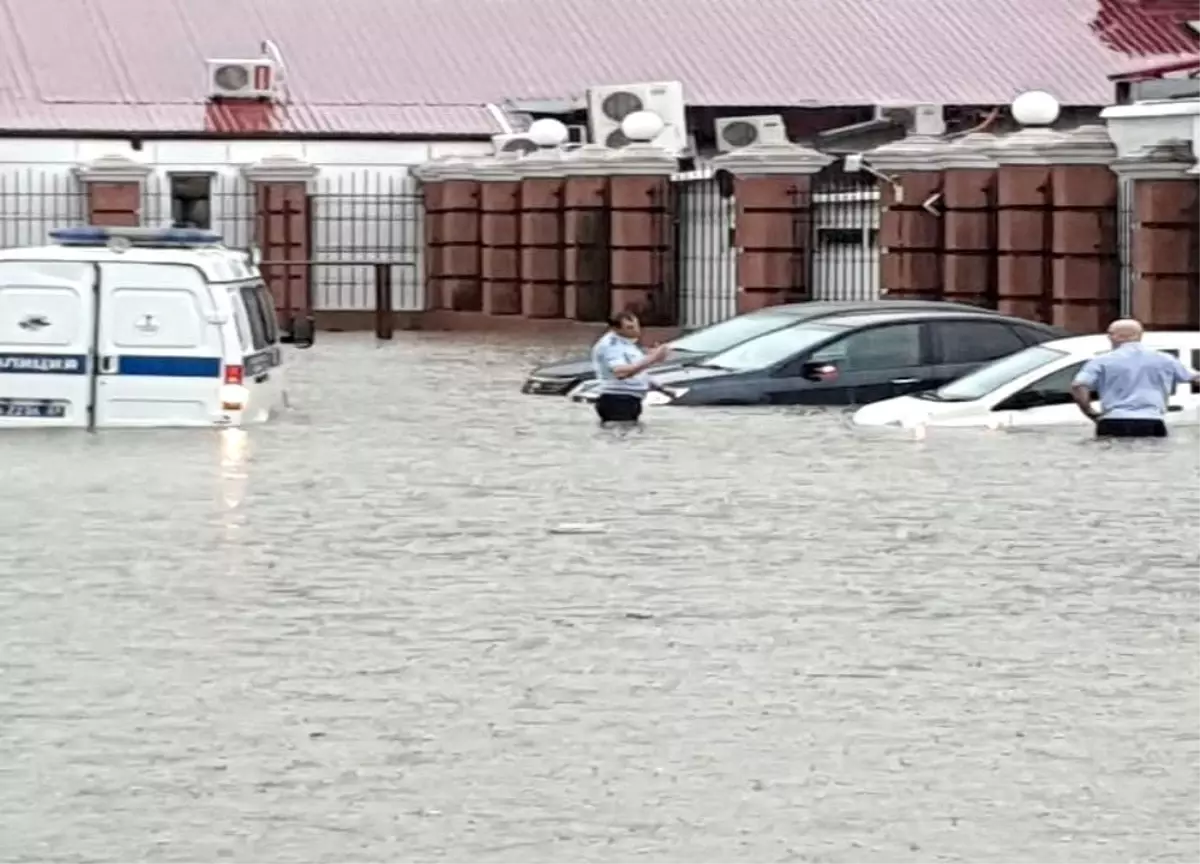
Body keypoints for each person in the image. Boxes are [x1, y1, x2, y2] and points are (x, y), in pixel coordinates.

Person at [1070, 318, 1200, 438]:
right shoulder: (1165, 359)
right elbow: (1196, 378)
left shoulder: (1101, 361)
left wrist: (1090, 412)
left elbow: (1078, 385)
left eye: (1110, 334)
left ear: (1115, 337)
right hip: (1152, 421)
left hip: (1113, 421)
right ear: (1140, 335)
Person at [590, 311, 670, 424]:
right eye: (630, 327)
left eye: (637, 325)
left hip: (630, 400)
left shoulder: (627, 344)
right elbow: (621, 373)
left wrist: (661, 388)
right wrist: (653, 358)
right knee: (622, 436)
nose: (637, 330)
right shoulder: (611, 345)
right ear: (616, 328)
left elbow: (639, 372)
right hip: (617, 400)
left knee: (632, 436)